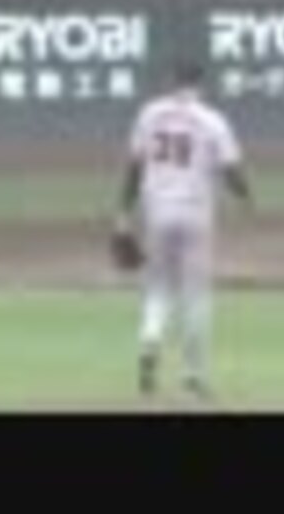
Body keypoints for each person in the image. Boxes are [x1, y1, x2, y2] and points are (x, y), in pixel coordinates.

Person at [113, 61, 252, 400]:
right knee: (196, 297)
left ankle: (149, 340)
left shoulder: (149, 114)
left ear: (172, 81)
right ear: (200, 85)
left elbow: (134, 168)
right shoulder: (212, 120)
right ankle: (193, 377)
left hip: (156, 213)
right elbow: (232, 170)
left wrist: (122, 215)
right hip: (195, 217)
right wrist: (245, 197)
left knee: (158, 290)